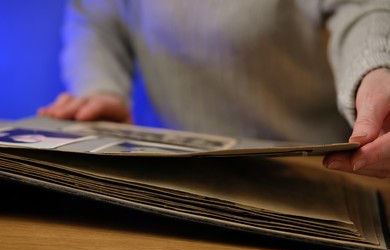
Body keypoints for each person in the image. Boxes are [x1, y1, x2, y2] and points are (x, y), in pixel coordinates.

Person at [38, 0, 390, 178]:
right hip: (165, 170)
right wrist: (100, 90)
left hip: (313, 169)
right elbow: (96, 20)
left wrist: (374, 70)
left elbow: (361, 6)